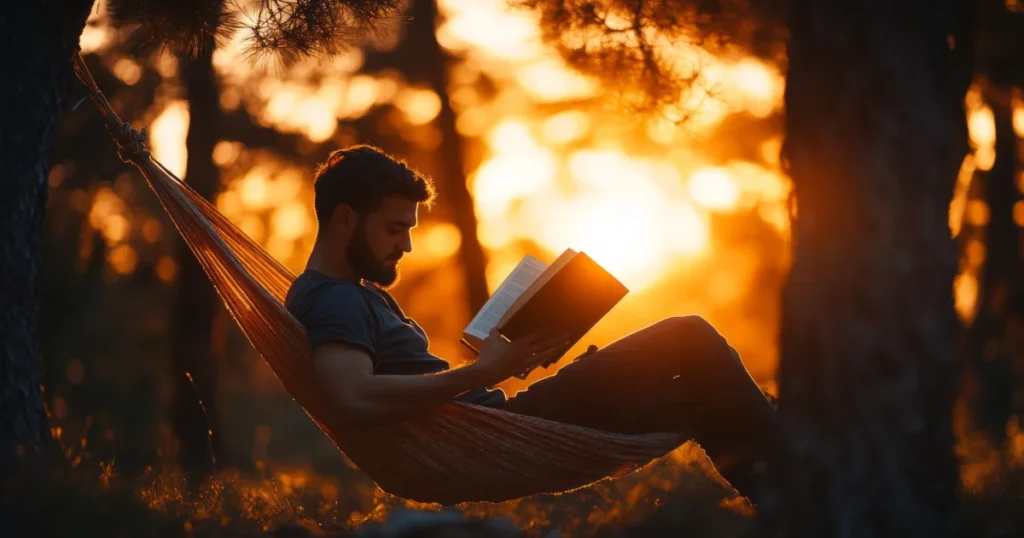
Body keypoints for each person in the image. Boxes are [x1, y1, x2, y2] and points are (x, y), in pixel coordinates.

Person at [285, 145, 780, 500]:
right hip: (506, 428)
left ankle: (795, 503)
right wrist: (482, 373)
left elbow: (395, 385)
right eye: (395, 229)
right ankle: (804, 482)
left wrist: (499, 358)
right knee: (688, 336)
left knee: (705, 398)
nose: (406, 246)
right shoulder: (336, 301)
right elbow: (351, 396)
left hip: (499, 424)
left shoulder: (348, 295)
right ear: (346, 219)